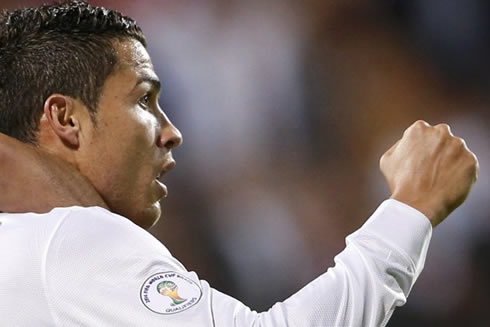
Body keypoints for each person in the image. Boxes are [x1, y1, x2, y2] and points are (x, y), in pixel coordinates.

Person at [0, 1, 479, 326]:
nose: (171, 131)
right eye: (144, 101)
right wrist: (411, 209)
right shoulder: (70, 240)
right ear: (66, 118)